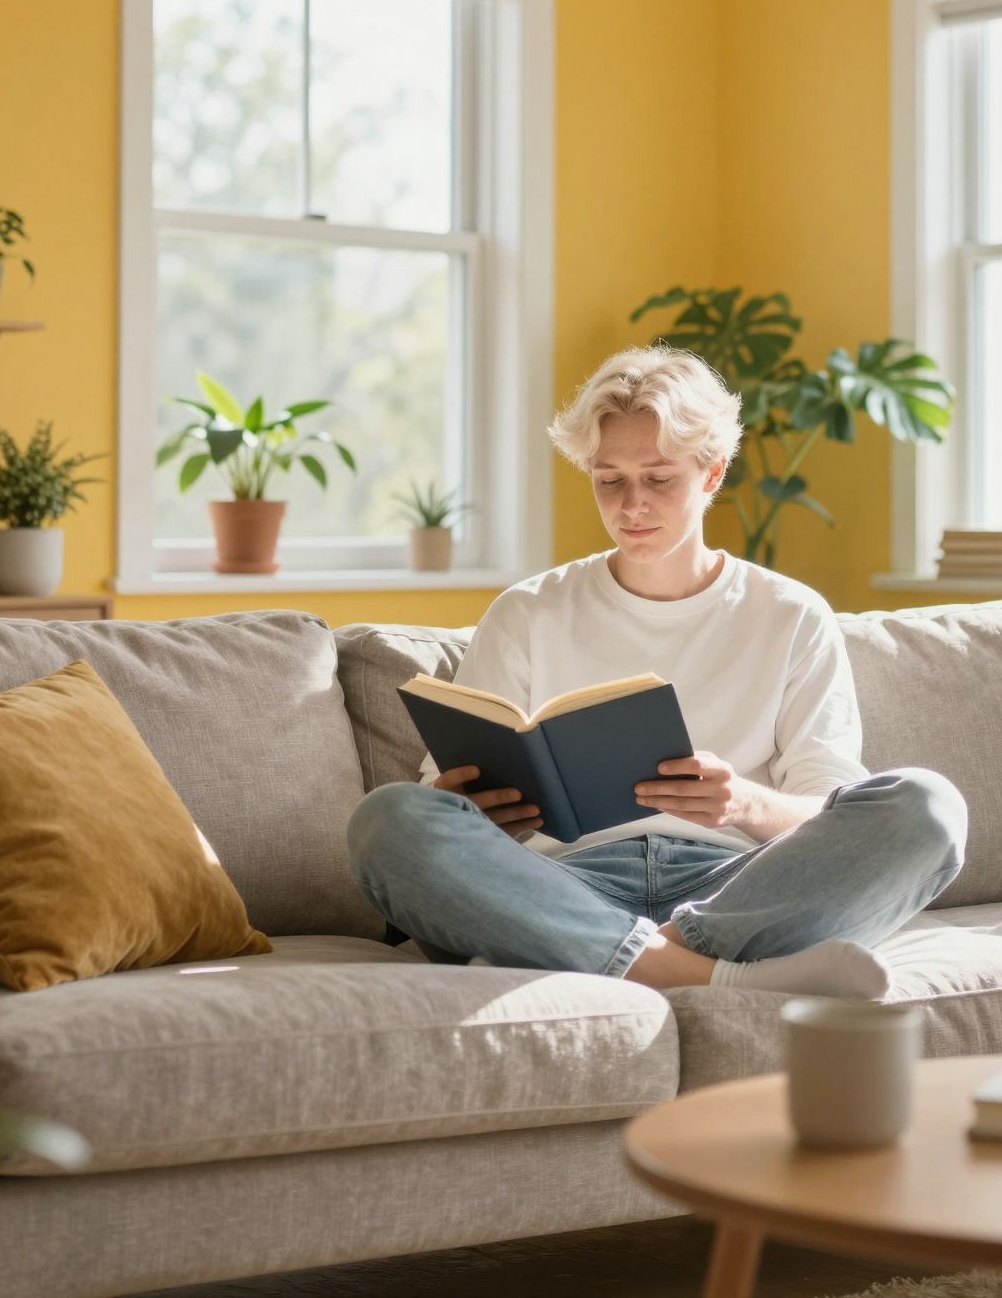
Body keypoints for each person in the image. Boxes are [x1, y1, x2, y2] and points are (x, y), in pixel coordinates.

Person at [347, 346, 966, 998]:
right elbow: (436, 808)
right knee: (387, 821)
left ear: (711, 473)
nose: (631, 504)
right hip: (561, 881)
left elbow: (829, 811)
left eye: (659, 478)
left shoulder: (791, 615)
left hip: (736, 887)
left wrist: (745, 802)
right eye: (608, 479)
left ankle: (598, 951)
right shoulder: (528, 611)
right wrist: (476, 809)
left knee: (928, 807)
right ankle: (703, 974)